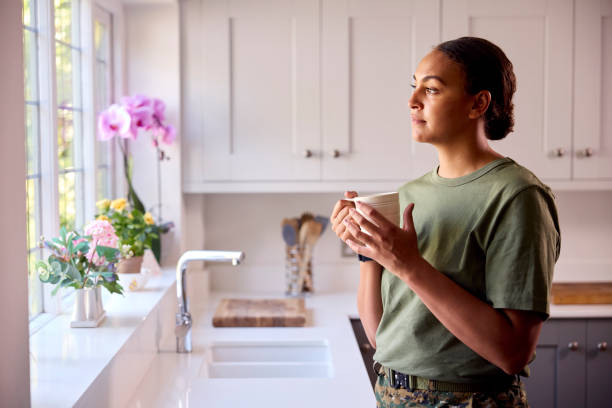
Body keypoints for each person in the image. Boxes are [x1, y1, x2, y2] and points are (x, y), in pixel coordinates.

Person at [330, 37, 561, 408]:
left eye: (432, 89)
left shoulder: (517, 195)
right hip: (391, 394)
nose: (413, 100)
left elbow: (513, 352)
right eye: (414, 86)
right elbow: (382, 338)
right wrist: (367, 252)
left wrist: (408, 263)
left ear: (478, 103)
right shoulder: (409, 194)